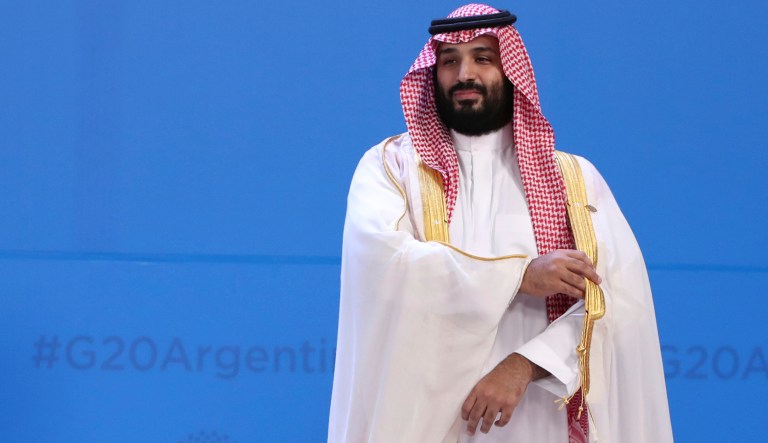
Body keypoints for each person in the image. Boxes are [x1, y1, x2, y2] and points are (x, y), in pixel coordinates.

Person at [328, 4, 673, 443]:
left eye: (482, 58)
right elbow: (387, 268)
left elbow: (615, 297)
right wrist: (519, 277)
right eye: (449, 60)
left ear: (510, 69)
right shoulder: (390, 169)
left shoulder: (573, 179)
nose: (464, 74)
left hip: (536, 419)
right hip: (425, 422)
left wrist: (525, 365)